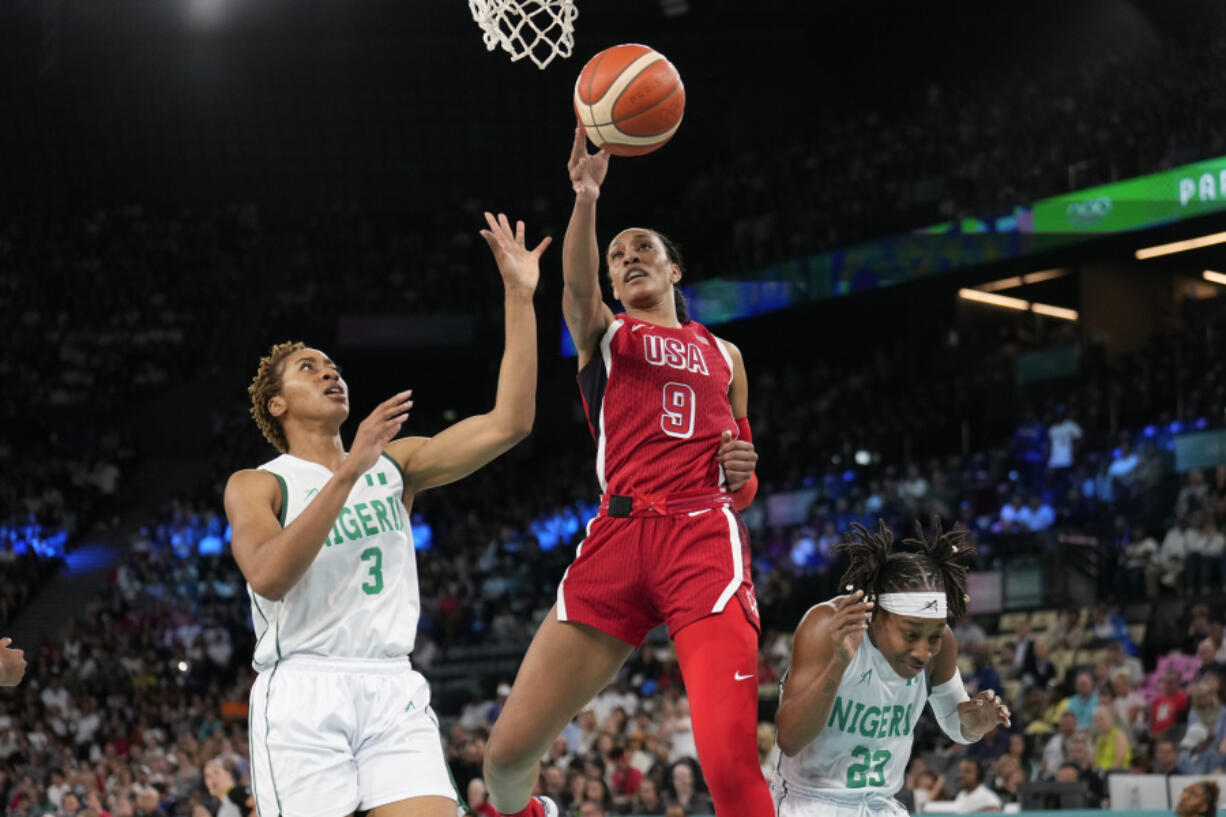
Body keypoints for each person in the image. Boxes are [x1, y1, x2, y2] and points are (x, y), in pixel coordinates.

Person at [224, 213, 550, 817]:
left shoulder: (395, 464)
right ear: (277, 403)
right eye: (309, 368)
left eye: (334, 367)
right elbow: (267, 575)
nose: (330, 372)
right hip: (302, 690)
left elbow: (511, 422)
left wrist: (519, 294)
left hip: (390, 683)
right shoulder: (257, 484)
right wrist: (347, 473)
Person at [483, 131, 768, 817]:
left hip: (701, 538)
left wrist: (743, 470)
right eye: (618, 255)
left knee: (728, 765)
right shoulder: (606, 334)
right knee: (504, 759)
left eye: (644, 248)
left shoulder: (725, 354)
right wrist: (587, 198)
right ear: (612, 283)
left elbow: (746, 477)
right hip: (617, 537)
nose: (629, 256)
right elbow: (576, 289)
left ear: (675, 270)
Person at [771, 520, 1011, 817]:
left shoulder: (943, 644)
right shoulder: (829, 625)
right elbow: (790, 740)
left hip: (880, 805)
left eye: (933, 636)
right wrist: (837, 666)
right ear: (877, 614)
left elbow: (954, 722)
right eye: (910, 634)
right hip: (808, 802)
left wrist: (975, 724)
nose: (923, 652)